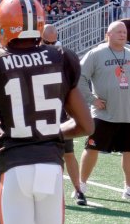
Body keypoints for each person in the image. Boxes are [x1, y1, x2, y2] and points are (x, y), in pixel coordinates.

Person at [0, 0, 94, 224]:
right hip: (51, 167)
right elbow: (86, 125)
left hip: (14, 166)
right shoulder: (61, 57)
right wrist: (50, 132)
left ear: (3, 26)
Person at [78, 20, 130, 201]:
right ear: (107, 34)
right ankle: (81, 186)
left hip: (127, 114)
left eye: (124, 32)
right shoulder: (96, 54)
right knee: (92, 149)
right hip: (103, 114)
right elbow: (80, 78)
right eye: (118, 32)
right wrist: (92, 99)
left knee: (129, 152)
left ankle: (129, 188)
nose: (123, 34)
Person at [42, 23, 87, 206]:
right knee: (42, 154)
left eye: (53, 42)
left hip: (59, 111)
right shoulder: (31, 56)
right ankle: (49, 191)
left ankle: (78, 190)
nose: (50, 46)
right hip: (39, 113)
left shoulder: (64, 57)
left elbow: (72, 88)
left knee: (68, 153)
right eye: (46, 42)